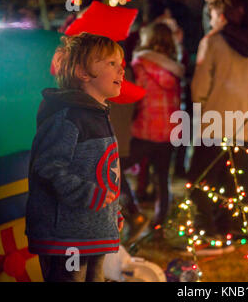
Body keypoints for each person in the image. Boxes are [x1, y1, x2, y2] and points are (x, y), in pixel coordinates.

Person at [25, 32, 125, 282]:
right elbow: (48, 167)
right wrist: (88, 194)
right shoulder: (67, 117)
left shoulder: (99, 114)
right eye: (111, 64)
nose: (121, 70)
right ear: (83, 73)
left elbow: (104, 171)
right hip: (66, 235)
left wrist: (113, 212)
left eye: (120, 64)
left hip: (94, 229)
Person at [188, 0, 248, 247]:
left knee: (203, 179)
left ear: (222, 16)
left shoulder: (212, 42)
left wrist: (201, 102)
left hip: (214, 121)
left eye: (212, 14)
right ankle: (233, 229)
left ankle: (206, 230)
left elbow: (199, 86)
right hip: (243, 124)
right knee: (235, 182)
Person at [120, 23, 185, 236]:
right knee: (162, 178)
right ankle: (159, 225)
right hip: (170, 132)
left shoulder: (139, 66)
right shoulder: (175, 69)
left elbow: (132, 98)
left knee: (115, 169)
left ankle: (134, 212)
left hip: (145, 130)